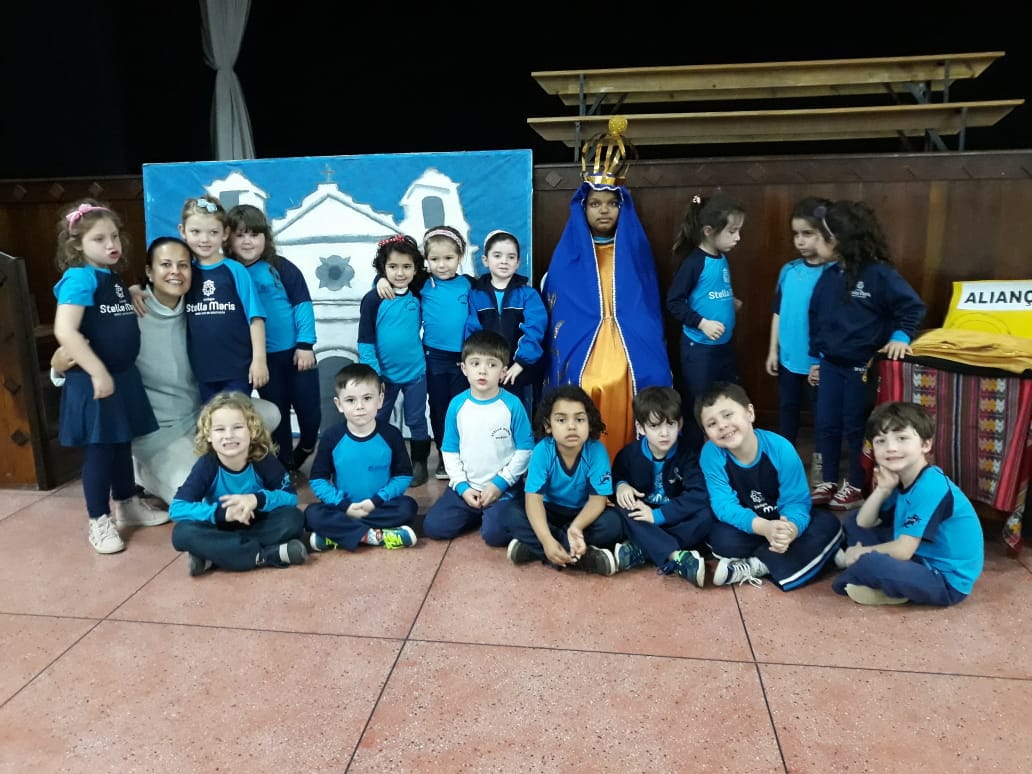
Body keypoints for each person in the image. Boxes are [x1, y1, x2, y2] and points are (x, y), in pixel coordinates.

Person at [52, 237, 282, 509]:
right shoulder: (130, 311)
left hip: (200, 416)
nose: (176, 272)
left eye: (183, 265)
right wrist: (58, 365)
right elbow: (85, 348)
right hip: (157, 432)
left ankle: (212, 462)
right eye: (165, 265)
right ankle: (143, 471)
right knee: (199, 496)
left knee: (269, 413)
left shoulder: (199, 308)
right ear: (149, 272)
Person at [541, 118, 672, 462]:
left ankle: (629, 464)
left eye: (611, 203)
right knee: (586, 382)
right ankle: (582, 465)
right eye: (595, 203)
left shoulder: (635, 252)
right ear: (583, 208)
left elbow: (645, 306)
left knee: (631, 379)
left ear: (622, 207)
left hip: (630, 341)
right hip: (584, 342)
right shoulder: (567, 256)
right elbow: (562, 310)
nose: (603, 210)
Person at [52, 199, 166, 554]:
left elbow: (105, 313)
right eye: (99, 239)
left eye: (114, 236)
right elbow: (65, 330)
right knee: (100, 451)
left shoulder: (110, 276)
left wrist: (130, 292)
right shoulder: (79, 277)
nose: (111, 245)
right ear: (77, 246)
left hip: (122, 375)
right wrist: (97, 372)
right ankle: (98, 519)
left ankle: (127, 503)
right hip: (93, 380)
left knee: (121, 443)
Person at [807, 200, 926, 511]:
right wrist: (815, 359)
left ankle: (856, 484)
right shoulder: (829, 275)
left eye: (822, 236)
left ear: (842, 241)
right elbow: (816, 317)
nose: (816, 243)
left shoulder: (879, 275)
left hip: (862, 367)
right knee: (826, 423)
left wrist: (900, 336)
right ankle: (828, 480)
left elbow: (911, 307)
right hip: (830, 364)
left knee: (856, 426)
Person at [831, 402, 984, 606]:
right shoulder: (902, 477)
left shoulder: (931, 486)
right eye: (881, 441)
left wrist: (860, 553)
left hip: (944, 580)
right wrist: (883, 489)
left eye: (902, 438)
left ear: (925, 445)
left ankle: (868, 576)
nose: (891, 448)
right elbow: (863, 522)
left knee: (870, 562)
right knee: (852, 521)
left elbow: (903, 550)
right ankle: (885, 584)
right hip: (918, 557)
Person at [696, 382, 842, 590]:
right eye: (712, 424)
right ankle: (812, 556)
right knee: (721, 539)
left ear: (750, 413)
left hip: (783, 520)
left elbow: (796, 501)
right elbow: (724, 505)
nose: (722, 425)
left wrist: (791, 529)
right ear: (706, 433)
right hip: (751, 525)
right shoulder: (711, 454)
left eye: (728, 415)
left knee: (828, 524)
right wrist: (764, 528)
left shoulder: (780, 448)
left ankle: (757, 565)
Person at [225, 204, 321, 472]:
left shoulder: (281, 267)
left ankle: (307, 446)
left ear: (265, 237)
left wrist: (305, 345)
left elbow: (303, 305)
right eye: (240, 235)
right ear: (228, 239)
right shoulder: (229, 272)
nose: (247, 241)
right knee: (277, 415)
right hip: (263, 360)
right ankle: (285, 466)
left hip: (296, 355)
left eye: (254, 234)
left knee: (310, 414)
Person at [169, 392, 307, 575]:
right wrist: (221, 513)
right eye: (220, 429)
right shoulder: (207, 465)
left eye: (238, 427)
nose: (229, 435)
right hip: (220, 527)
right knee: (181, 533)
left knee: (293, 519)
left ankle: (218, 556)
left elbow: (290, 498)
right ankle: (266, 555)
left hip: (258, 523)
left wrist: (256, 499)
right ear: (208, 435)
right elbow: (177, 508)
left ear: (252, 431)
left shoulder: (263, 459)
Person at [422, 330, 535, 546]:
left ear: (503, 371)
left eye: (492, 365)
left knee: (495, 536)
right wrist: (462, 487)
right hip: (467, 487)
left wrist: (500, 483)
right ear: (464, 368)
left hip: (502, 489)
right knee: (434, 527)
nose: (482, 371)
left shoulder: (512, 405)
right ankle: (478, 512)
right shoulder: (457, 405)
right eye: (475, 364)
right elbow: (450, 450)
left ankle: (496, 514)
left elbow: (525, 449)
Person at [504, 384, 621, 575]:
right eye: (561, 420)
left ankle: (537, 550)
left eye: (580, 419)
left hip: (582, 514)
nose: (572, 426)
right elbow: (533, 500)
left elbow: (597, 501)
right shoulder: (543, 450)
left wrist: (576, 527)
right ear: (548, 426)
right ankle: (580, 556)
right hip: (549, 511)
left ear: (590, 423)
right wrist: (546, 540)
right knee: (511, 514)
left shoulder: (596, 451)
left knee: (614, 524)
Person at [304, 363, 418, 552]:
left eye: (367, 398)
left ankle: (337, 535)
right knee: (312, 514)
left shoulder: (391, 435)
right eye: (350, 400)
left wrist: (375, 501)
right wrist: (344, 505)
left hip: (378, 506)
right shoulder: (332, 437)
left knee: (408, 507)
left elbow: (403, 476)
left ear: (380, 400)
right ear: (339, 405)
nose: (360, 406)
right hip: (344, 508)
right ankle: (375, 536)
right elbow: (318, 480)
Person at [666, 192, 747, 452]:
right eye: (732, 231)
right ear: (709, 231)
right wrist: (702, 323)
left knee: (725, 399)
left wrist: (729, 302)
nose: (738, 237)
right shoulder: (694, 263)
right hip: (699, 350)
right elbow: (674, 302)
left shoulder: (721, 258)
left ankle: (723, 449)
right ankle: (695, 457)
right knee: (699, 404)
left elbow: (709, 292)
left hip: (723, 347)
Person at [610, 386, 715, 587]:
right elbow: (617, 476)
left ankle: (643, 548)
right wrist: (621, 486)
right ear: (641, 428)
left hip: (674, 516)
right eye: (655, 426)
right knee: (622, 509)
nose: (664, 433)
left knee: (706, 515)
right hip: (642, 516)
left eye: (671, 424)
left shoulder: (689, 455)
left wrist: (658, 516)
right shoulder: (629, 454)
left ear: (680, 424)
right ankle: (676, 556)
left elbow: (699, 494)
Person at [178, 194, 268, 402]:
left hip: (237, 369)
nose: (204, 239)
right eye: (196, 232)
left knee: (235, 416)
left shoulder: (235, 270)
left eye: (213, 232)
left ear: (225, 233)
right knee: (209, 420)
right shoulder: (184, 272)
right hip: (199, 372)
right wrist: (138, 289)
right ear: (183, 231)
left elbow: (255, 318)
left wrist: (259, 360)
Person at [358, 234, 431, 486]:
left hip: (415, 374)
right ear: (383, 268)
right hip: (383, 377)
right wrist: (374, 375)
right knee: (378, 418)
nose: (400, 273)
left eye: (407, 266)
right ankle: (380, 461)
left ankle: (419, 463)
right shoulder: (373, 300)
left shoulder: (419, 295)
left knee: (417, 419)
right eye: (392, 266)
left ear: (416, 269)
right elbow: (365, 340)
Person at [764, 196, 834, 445]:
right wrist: (773, 351)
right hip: (788, 359)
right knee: (787, 409)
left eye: (808, 233)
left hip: (819, 363)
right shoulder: (789, 270)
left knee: (823, 416)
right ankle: (786, 455)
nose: (800, 241)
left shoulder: (834, 273)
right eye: (796, 234)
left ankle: (822, 459)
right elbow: (778, 312)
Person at [465, 229, 547, 420]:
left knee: (519, 416)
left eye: (511, 257)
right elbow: (473, 332)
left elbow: (535, 330)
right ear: (485, 260)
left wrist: (520, 363)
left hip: (520, 371)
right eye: (497, 255)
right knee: (490, 417)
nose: (504, 261)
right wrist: (481, 365)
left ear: (518, 262)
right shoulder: (475, 295)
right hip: (488, 370)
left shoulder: (528, 294)